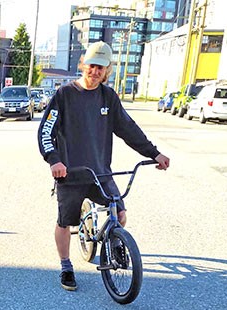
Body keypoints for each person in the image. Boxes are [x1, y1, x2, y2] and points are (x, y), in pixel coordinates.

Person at [37, 41, 170, 292]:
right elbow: (46, 131)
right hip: (71, 174)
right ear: (83, 65)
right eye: (91, 66)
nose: (95, 71)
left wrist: (154, 154)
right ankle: (66, 265)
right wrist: (54, 160)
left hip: (101, 172)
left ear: (107, 70)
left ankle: (117, 243)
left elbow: (128, 129)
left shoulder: (108, 96)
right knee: (65, 222)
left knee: (119, 213)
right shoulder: (64, 95)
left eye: (101, 67)